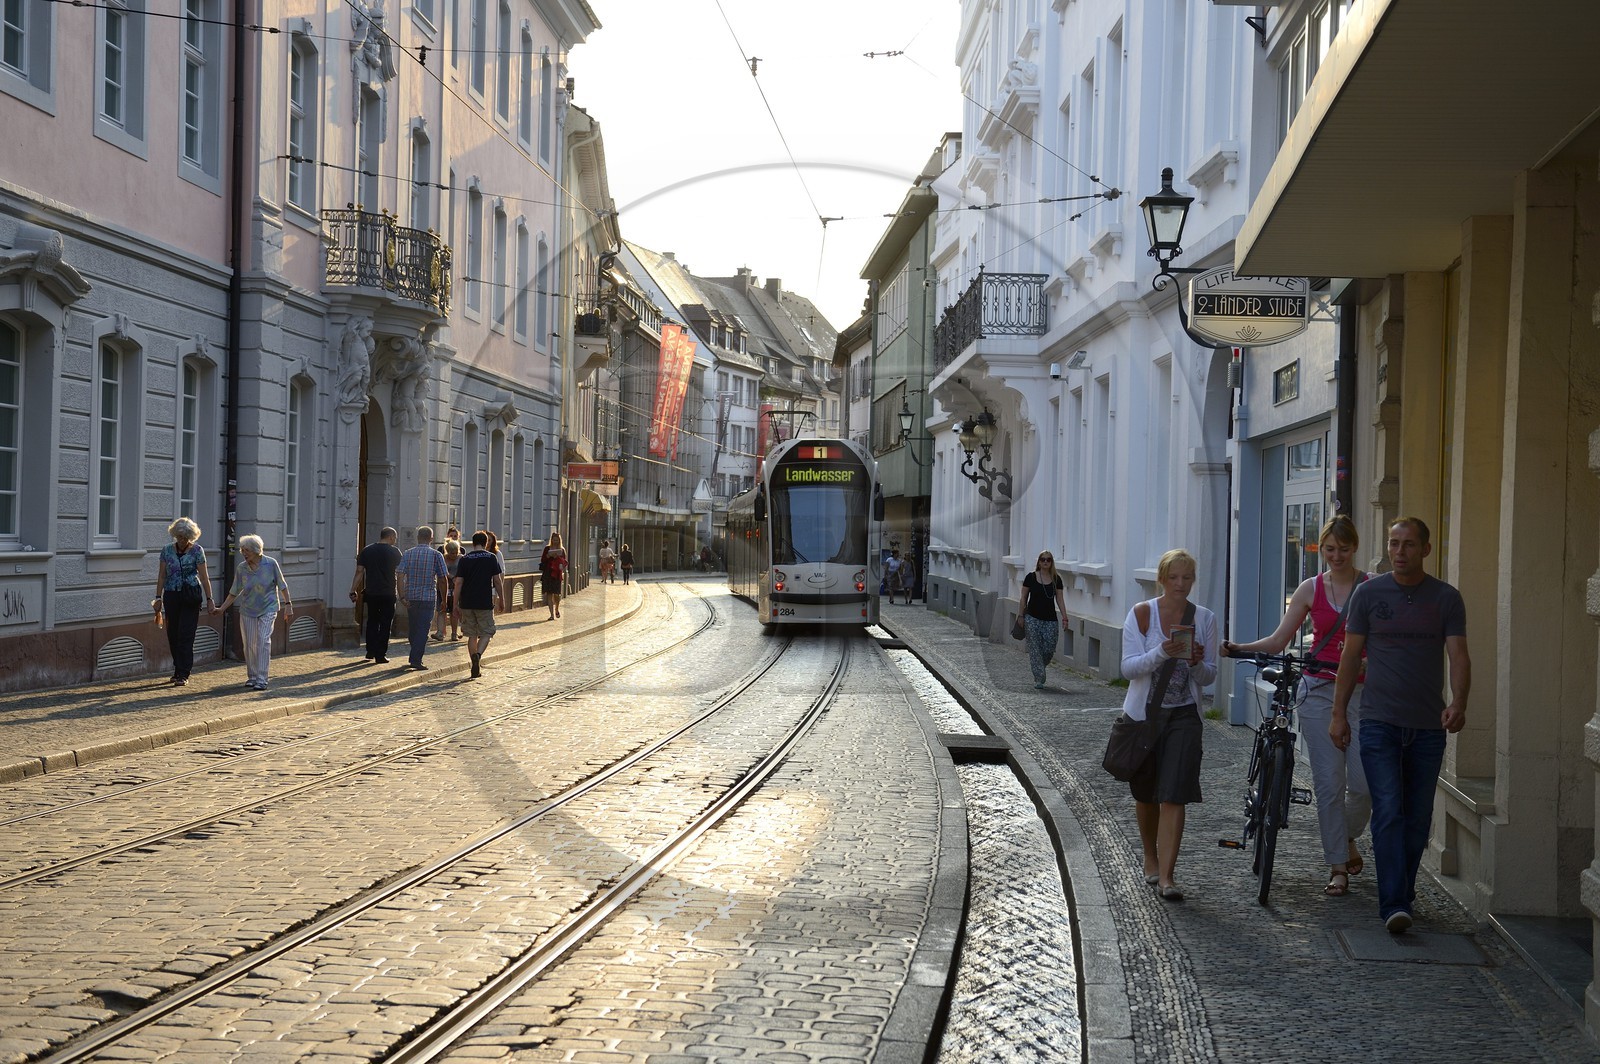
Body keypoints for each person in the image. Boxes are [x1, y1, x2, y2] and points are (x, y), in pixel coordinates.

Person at [1331, 517, 1470, 935]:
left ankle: (1402, 892)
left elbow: (1459, 656)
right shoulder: (1369, 594)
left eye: (1409, 544)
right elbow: (1350, 657)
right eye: (1394, 543)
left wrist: (1459, 702)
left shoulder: (1446, 598)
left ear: (1425, 549)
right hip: (1379, 722)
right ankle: (1394, 903)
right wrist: (1339, 713)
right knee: (1389, 809)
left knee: (1418, 818)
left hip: (1428, 726)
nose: (1400, 551)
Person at [1223, 514, 1371, 897]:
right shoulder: (1310, 588)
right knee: (1330, 782)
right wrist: (1239, 647)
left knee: (1364, 783)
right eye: (1329, 549)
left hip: (1362, 694)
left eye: (1343, 549)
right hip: (1318, 690)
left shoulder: (1370, 587)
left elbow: (1386, 641)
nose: (1335, 556)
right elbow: (1278, 641)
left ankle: (1346, 837)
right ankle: (1337, 866)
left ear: (1354, 548)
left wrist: (1373, 661)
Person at [1120, 548, 1217, 901]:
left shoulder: (1204, 618)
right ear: (1161, 579)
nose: (1180, 584)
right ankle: (1151, 856)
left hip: (1184, 715)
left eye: (1187, 577)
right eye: (1174, 577)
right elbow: (1128, 668)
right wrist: (1163, 651)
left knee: (1174, 793)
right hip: (1145, 715)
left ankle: (1167, 877)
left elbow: (1209, 676)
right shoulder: (1141, 614)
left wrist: (1194, 663)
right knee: (1146, 794)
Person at [212, 534, 291, 691]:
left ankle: (262, 679)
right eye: (242, 550)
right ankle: (252, 676)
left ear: (256, 550)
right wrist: (222, 608)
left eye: (246, 550)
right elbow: (235, 591)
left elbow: (282, 585)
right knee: (249, 644)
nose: (243, 553)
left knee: (263, 640)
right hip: (248, 610)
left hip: (268, 608)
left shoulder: (270, 564)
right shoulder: (242, 568)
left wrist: (288, 604)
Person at [154, 517, 214, 686]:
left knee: (186, 634)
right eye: (179, 537)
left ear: (191, 537)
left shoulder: (197, 551)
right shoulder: (167, 550)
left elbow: (204, 577)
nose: (182, 540)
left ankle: (183, 673)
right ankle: (177, 669)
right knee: (173, 634)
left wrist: (210, 599)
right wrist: (158, 597)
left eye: (185, 537)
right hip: (172, 595)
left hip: (190, 596)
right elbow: (161, 576)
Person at [452, 531, 504, 679]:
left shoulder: (465, 559)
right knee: (487, 632)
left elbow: (458, 582)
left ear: (473, 543)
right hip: (484, 602)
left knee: (471, 634)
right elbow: (497, 580)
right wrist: (502, 598)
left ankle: (474, 663)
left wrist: (455, 604)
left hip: (467, 602)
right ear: (486, 543)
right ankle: (478, 656)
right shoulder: (491, 557)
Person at [398, 525, 449, 670]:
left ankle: (415, 654)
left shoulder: (408, 553)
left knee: (414, 628)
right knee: (423, 629)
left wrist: (402, 596)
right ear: (431, 538)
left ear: (418, 537)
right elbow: (443, 579)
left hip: (411, 597)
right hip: (428, 597)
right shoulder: (436, 555)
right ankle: (416, 659)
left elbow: (400, 576)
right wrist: (444, 599)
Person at [1017, 551, 1067, 689]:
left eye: (1048, 560)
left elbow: (1060, 599)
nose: (1045, 562)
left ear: (1051, 562)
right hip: (1032, 618)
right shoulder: (1031, 577)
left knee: (1049, 649)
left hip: (1050, 620)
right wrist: (1020, 615)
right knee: (1035, 649)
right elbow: (1023, 598)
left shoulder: (1057, 579)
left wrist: (1065, 617)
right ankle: (1039, 678)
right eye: (1043, 559)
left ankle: (1039, 667)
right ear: (1039, 562)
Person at [351, 526, 401, 664]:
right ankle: (381, 655)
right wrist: (402, 592)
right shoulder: (395, 552)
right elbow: (401, 573)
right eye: (395, 538)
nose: (395, 541)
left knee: (372, 621)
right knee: (385, 624)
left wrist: (353, 590)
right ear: (390, 537)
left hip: (371, 592)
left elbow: (359, 571)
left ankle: (370, 651)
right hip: (388, 592)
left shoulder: (367, 550)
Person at [434, 539, 462, 640]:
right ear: (447, 551)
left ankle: (454, 633)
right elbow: (441, 571)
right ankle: (440, 633)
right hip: (443, 587)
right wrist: (451, 577)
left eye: (455, 552)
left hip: (456, 588)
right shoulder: (442, 558)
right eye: (451, 553)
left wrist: (457, 578)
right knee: (442, 610)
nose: (454, 555)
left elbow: (464, 571)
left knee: (454, 611)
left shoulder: (461, 558)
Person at [540, 532, 568, 620]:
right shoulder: (547, 548)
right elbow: (543, 560)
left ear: (559, 541)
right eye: (554, 540)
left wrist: (558, 559)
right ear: (551, 540)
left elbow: (564, 562)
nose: (555, 541)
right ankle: (551, 615)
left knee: (557, 594)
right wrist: (548, 555)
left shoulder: (562, 550)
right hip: (548, 573)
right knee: (549, 594)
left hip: (557, 574)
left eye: (557, 540)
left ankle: (556, 609)